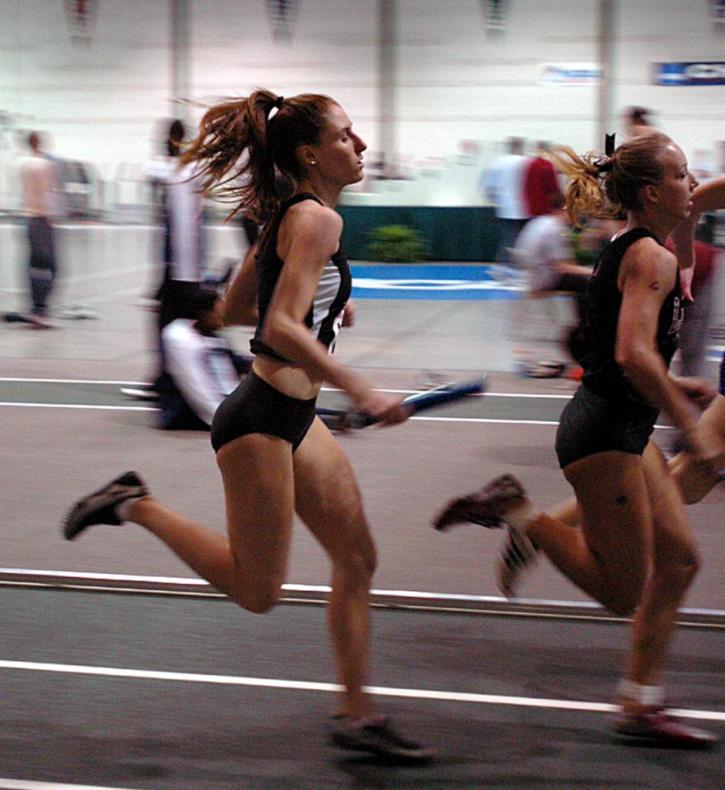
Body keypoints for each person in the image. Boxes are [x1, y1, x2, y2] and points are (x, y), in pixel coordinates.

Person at [61, 90, 434, 763]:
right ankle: (135, 503)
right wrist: (360, 385)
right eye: (347, 136)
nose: (361, 146)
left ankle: (356, 715)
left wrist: (325, 309)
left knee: (357, 558)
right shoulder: (315, 218)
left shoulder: (291, 217)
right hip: (261, 419)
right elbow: (278, 325)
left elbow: (236, 311)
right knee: (257, 591)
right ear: (308, 153)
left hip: (292, 415)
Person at [434, 132, 721, 748]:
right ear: (651, 191)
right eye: (680, 174)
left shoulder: (637, 244)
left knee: (681, 560)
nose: (692, 181)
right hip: (608, 434)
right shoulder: (653, 256)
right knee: (621, 593)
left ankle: (640, 707)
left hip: (622, 424)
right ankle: (521, 513)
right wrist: (688, 422)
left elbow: (628, 355)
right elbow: (631, 353)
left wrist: (678, 386)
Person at [18, 131, 64, 328]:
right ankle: (40, 308)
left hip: (27, 218)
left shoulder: (22, 164)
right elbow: (50, 192)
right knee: (52, 266)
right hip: (42, 219)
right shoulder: (45, 165)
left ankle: (36, 307)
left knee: (34, 265)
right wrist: (55, 216)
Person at [481, 136, 530, 266]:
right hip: (526, 208)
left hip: (506, 208)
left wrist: (498, 201)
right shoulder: (527, 162)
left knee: (509, 239)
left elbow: (487, 187)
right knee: (524, 240)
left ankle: (505, 266)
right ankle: (514, 267)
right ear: (521, 147)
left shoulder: (497, 162)